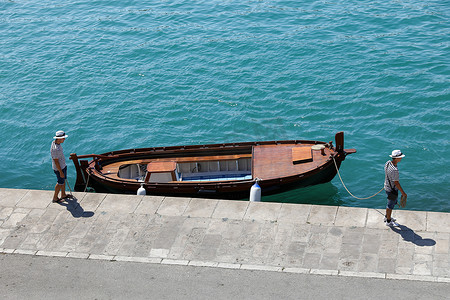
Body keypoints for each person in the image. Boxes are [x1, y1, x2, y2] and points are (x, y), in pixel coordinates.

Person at [384, 150, 407, 226]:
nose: (401, 158)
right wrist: (403, 193)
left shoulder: (388, 163)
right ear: (397, 158)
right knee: (390, 205)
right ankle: (388, 221)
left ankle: (387, 216)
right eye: (400, 157)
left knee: (390, 203)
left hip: (387, 186)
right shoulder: (395, 170)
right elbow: (396, 183)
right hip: (392, 190)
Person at [51, 130, 70, 203]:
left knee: (63, 180)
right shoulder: (56, 149)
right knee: (60, 182)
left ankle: (63, 194)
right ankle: (55, 198)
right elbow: (56, 161)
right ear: (59, 139)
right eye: (63, 138)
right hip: (59, 168)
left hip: (63, 165)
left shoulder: (55, 143)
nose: (64, 139)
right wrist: (60, 172)